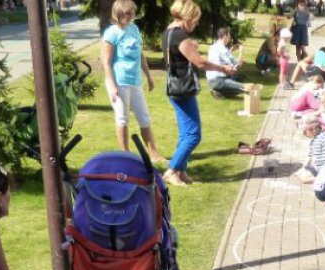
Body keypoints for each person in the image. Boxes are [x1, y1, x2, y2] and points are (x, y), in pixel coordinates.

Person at [162, 0, 236, 187]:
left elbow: (179, 55)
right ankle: (172, 170)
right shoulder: (180, 36)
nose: (195, 24)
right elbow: (200, 63)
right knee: (194, 135)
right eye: (195, 21)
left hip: (174, 88)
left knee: (185, 134)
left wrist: (190, 45)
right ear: (187, 17)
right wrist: (223, 69)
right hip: (183, 90)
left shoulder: (169, 32)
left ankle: (181, 171)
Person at [101, 0, 163, 161]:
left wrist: (149, 77)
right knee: (122, 118)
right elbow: (106, 62)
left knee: (144, 117)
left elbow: (140, 55)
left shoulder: (134, 29)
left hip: (135, 81)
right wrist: (112, 85)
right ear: (119, 13)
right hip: (119, 81)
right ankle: (126, 155)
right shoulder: (111, 33)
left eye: (133, 13)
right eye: (128, 13)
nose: (132, 16)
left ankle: (154, 154)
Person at [207, 27, 249, 98]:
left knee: (238, 80)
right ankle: (221, 91)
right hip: (219, 80)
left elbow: (222, 59)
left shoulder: (212, 47)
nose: (230, 40)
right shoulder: (223, 49)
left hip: (210, 80)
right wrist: (241, 51)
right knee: (245, 88)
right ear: (224, 36)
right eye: (229, 37)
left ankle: (219, 92)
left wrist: (231, 50)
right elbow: (235, 65)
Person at [294, 114, 325, 183]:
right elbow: (309, 157)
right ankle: (322, 177)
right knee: (299, 174)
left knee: (305, 180)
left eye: (305, 131)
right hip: (317, 167)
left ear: (314, 130)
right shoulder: (313, 141)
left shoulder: (324, 137)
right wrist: (302, 169)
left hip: (324, 168)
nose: (304, 133)